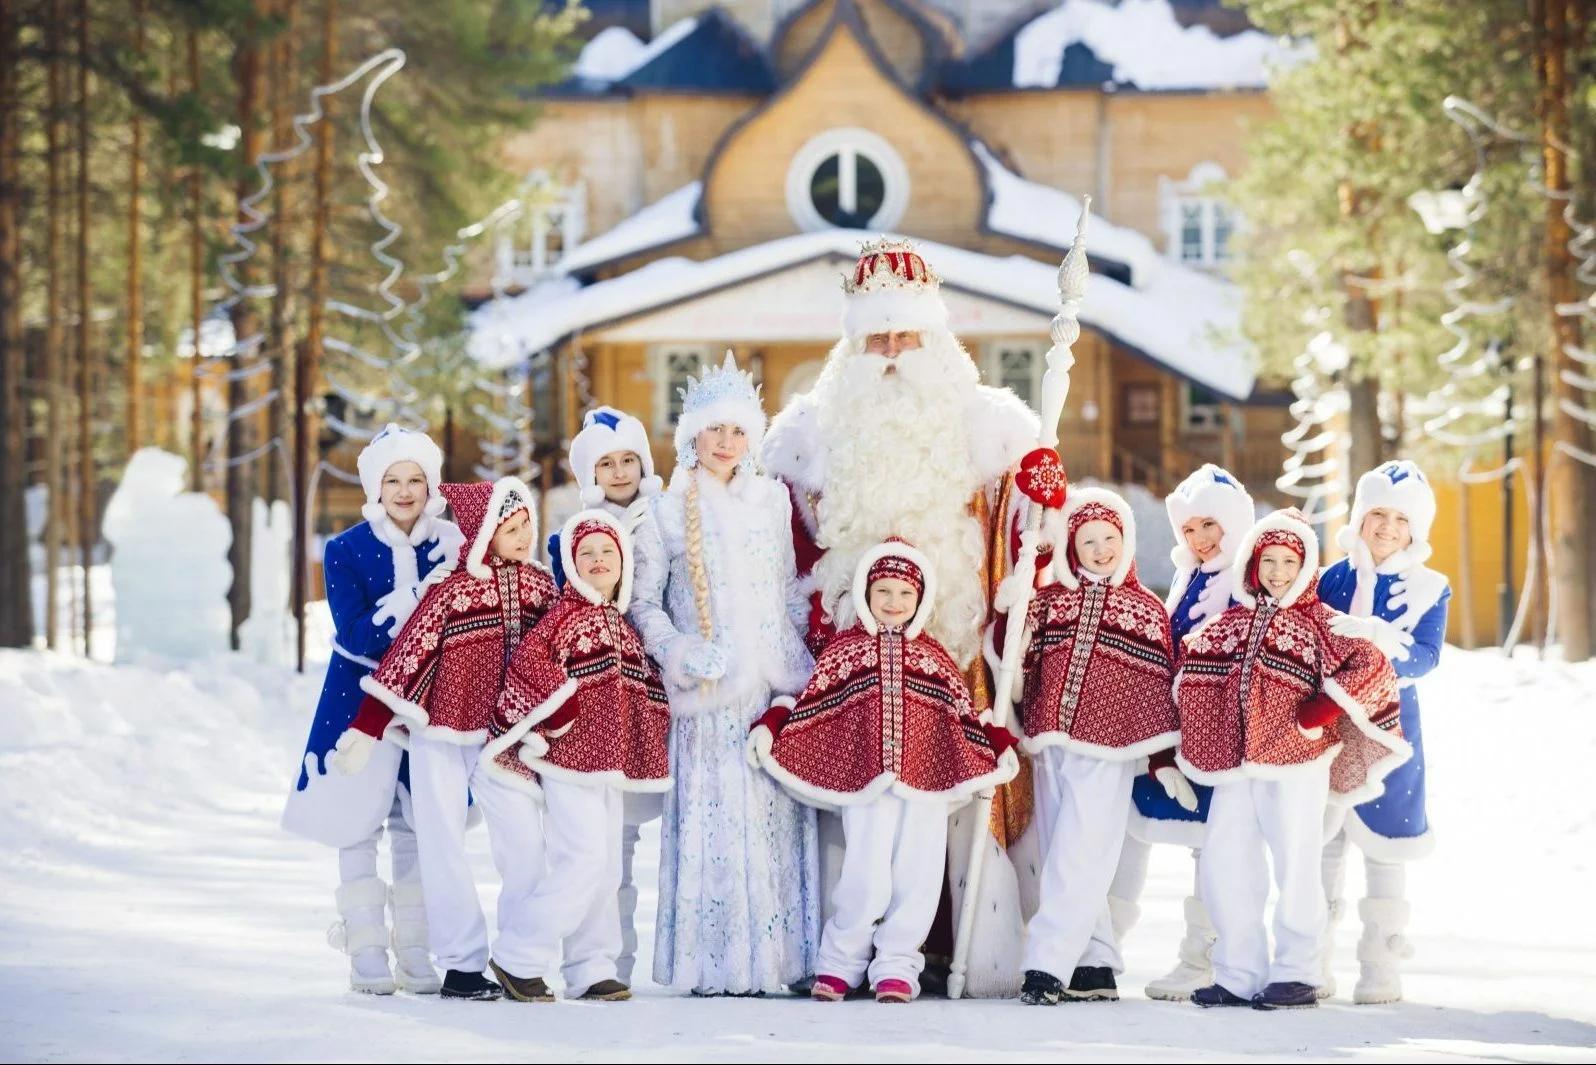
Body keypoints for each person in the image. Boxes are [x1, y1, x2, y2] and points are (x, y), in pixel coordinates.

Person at [761, 237, 1052, 995]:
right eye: (876, 337)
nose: (890, 353)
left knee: (934, 828)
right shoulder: (808, 433)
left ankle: (928, 951)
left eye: (905, 336)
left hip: (954, 669)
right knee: (851, 826)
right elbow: (783, 549)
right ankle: (835, 955)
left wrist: (1036, 496)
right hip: (842, 678)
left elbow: (1028, 532)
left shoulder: (986, 424)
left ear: (935, 337)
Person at [746, 539, 1019, 1003]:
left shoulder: (934, 658)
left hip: (927, 781)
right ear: (866, 595)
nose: (893, 603)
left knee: (919, 872)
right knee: (865, 873)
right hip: (866, 782)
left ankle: (897, 964)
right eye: (883, 592)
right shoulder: (845, 652)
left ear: (921, 599)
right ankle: (841, 962)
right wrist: (775, 724)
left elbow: (961, 715)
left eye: (904, 594)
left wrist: (994, 742)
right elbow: (815, 703)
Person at [628, 352, 822, 996]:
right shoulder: (664, 509)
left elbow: (789, 588)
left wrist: (800, 654)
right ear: (692, 434)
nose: (727, 443)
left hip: (769, 689)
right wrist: (679, 650)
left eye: (739, 431)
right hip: (707, 695)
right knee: (715, 825)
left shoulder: (771, 500)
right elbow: (644, 601)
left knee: (772, 825)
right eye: (716, 430)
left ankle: (781, 963)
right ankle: (712, 965)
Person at [332, 476, 559, 1001]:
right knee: (442, 841)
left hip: (506, 741)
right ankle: (460, 964)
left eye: (527, 524)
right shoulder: (450, 592)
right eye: (510, 527)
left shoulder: (543, 589)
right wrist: (368, 728)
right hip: (441, 732)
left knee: (524, 845)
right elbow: (404, 660)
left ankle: (519, 957)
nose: (523, 536)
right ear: (482, 532)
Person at [1172, 507, 1407, 1010]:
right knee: (1226, 862)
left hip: (1297, 763)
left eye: (1288, 561)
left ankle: (1299, 971)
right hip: (1235, 765)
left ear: (1304, 567)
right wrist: (1201, 731)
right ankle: (1237, 972)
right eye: (1268, 561)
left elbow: (1373, 666)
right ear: (1252, 565)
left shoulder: (1320, 622)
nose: (1278, 572)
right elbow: (1190, 675)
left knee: (1297, 863)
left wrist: (1320, 711)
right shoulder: (1227, 625)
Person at [282, 424, 462, 995]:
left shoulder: (453, 545)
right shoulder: (345, 550)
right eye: (392, 480)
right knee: (356, 822)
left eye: (415, 479)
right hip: (356, 696)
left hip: (427, 702)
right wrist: (417, 604)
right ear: (374, 486)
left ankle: (415, 947)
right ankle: (365, 951)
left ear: (431, 483)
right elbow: (357, 632)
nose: (405, 491)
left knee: (417, 824)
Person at [478, 510, 672, 1002]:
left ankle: (591, 966)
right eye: (586, 553)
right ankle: (518, 954)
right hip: (567, 758)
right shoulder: (563, 618)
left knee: (605, 866)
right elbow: (530, 662)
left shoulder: (620, 625)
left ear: (623, 561)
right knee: (583, 858)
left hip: (608, 761)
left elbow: (641, 689)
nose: (599, 559)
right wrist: (559, 711)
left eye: (608, 551)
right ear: (571, 563)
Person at [1009, 488, 1182, 1006]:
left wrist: (1161, 755)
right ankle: (1095, 962)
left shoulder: (1145, 611)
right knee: (1055, 849)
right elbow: (1017, 664)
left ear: (1126, 541)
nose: (1101, 549)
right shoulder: (1048, 602)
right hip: (1048, 742)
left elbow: (1158, 685)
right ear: (1072, 544)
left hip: (1108, 748)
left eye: (1111, 538)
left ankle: (1046, 962)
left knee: (1081, 855)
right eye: (1089, 540)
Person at [1109, 464, 1255, 1001]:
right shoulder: (1190, 573)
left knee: (1210, 843)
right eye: (1188, 529)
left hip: (1218, 732)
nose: (1197, 539)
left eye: (1209, 526)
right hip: (1171, 730)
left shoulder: (1245, 579)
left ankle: (1204, 954)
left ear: (1233, 524)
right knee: (1136, 825)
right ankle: (1102, 944)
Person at [1315, 460, 1450, 1004]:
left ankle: (1380, 967)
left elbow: (1425, 658)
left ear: (1416, 527)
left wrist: (1379, 639)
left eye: (1401, 518)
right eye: (1378, 515)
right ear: (1359, 517)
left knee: (1386, 843)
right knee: (1324, 840)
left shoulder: (1430, 588)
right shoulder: (1331, 577)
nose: (1388, 527)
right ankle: (1311, 961)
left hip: (1394, 734)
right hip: (1328, 726)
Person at [555, 405, 666, 985]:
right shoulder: (573, 537)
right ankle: (605, 962)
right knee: (604, 840)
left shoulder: (668, 519)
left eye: (628, 460)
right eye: (605, 462)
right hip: (597, 696)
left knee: (640, 823)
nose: (619, 471)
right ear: (588, 472)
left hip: (660, 687)